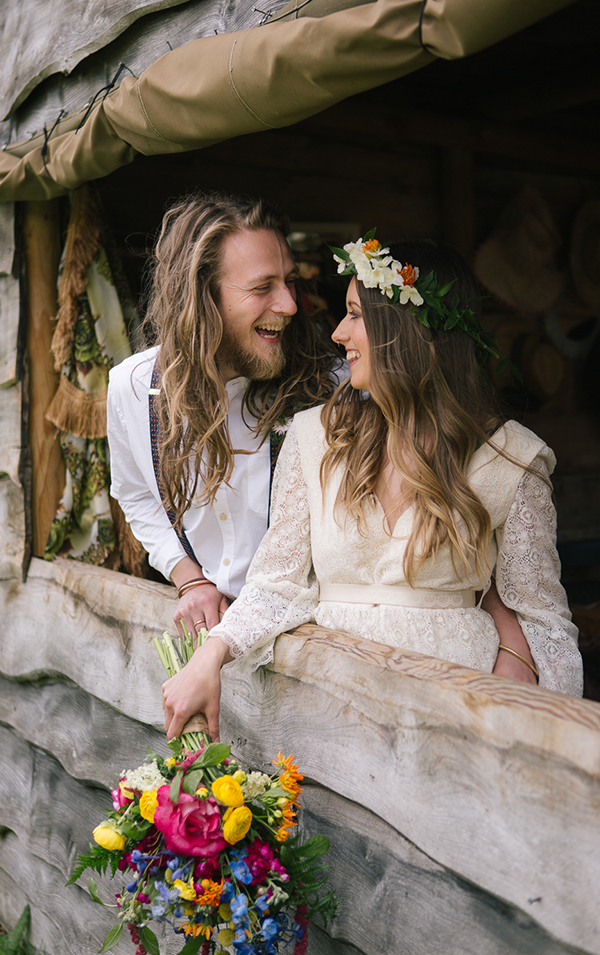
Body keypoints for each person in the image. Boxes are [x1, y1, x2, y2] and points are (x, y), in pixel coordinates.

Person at [162, 235, 583, 741]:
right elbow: (277, 585)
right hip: (329, 709)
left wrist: (546, 731)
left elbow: (544, 621)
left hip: (455, 717)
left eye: (356, 314)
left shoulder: (511, 458)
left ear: (407, 329)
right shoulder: (315, 437)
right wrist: (210, 656)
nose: (338, 332)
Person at [107, 192, 342, 635]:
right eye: (262, 287)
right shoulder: (132, 387)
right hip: (205, 646)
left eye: (289, 281)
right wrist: (189, 578)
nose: (289, 305)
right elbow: (135, 493)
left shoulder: (335, 388)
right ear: (201, 296)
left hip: (313, 642)